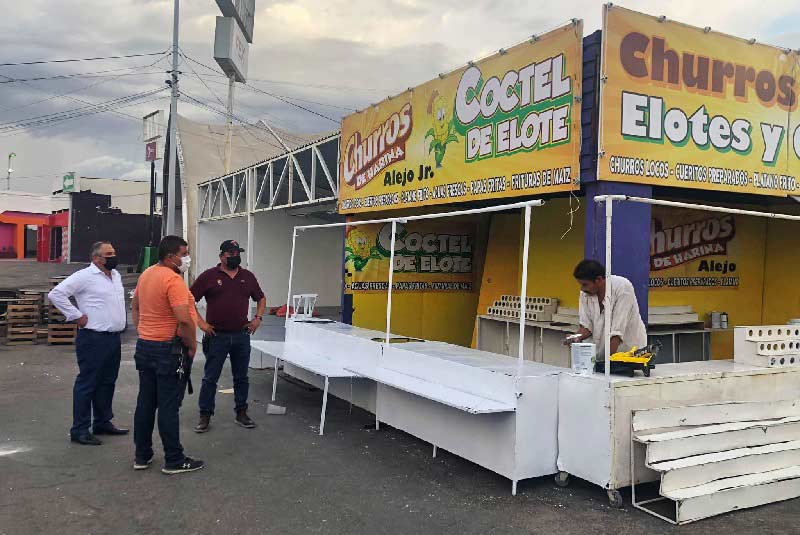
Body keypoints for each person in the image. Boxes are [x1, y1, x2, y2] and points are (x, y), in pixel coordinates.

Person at [131, 235, 204, 474]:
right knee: (168, 406)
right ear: (170, 256)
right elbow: (183, 319)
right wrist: (192, 345)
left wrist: (144, 331)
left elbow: (136, 308)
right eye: (184, 254)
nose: (186, 258)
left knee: (146, 403)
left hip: (146, 345)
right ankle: (174, 459)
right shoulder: (173, 281)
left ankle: (142, 455)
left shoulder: (147, 274)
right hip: (168, 350)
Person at [49, 241, 128, 446]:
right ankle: (80, 429)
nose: (113, 256)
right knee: (88, 383)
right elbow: (56, 294)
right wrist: (75, 315)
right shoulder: (84, 276)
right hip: (93, 338)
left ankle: (102, 421)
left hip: (113, 338)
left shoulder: (116, 276)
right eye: (108, 254)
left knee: (107, 382)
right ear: (96, 258)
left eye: (114, 252)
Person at [191, 239, 266, 433]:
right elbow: (189, 300)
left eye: (237, 253)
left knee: (241, 377)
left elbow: (261, 297)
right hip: (217, 336)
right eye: (231, 254)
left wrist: (257, 318)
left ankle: (242, 413)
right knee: (210, 378)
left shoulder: (247, 276)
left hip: (241, 334)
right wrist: (201, 323)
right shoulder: (208, 276)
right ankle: (205, 415)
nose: (235, 257)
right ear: (221, 256)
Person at [565, 259, 647, 360]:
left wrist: (604, 366)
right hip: (600, 356)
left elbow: (616, 334)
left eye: (585, 284)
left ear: (599, 280)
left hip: (629, 353)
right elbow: (586, 327)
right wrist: (576, 337)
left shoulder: (623, 288)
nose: (582, 289)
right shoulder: (585, 294)